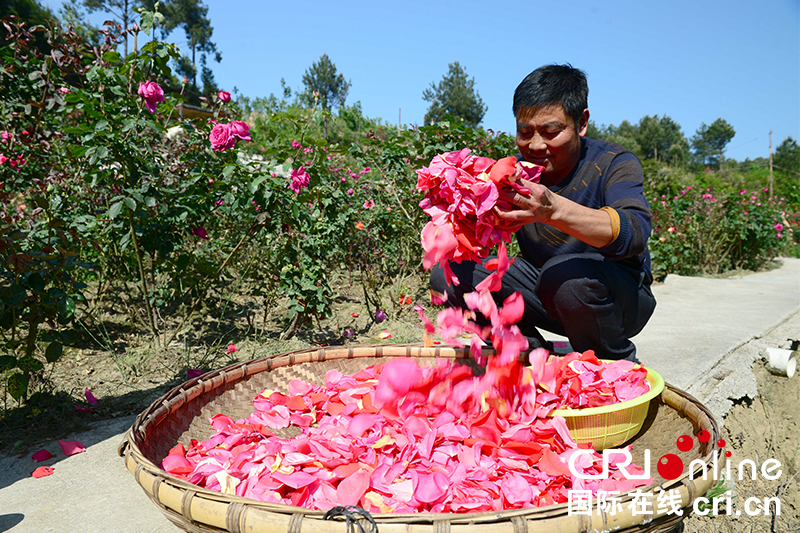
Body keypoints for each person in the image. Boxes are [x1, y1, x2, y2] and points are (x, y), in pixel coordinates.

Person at [430, 64, 656, 362]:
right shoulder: (514, 175)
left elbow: (634, 232)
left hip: (618, 299)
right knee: (450, 274)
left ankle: (616, 363)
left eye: (551, 132)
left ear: (582, 122)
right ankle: (527, 356)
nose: (535, 145)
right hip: (548, 291)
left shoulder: (614, 163)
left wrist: (554, 210)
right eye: (525, 132)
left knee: (564, 276)